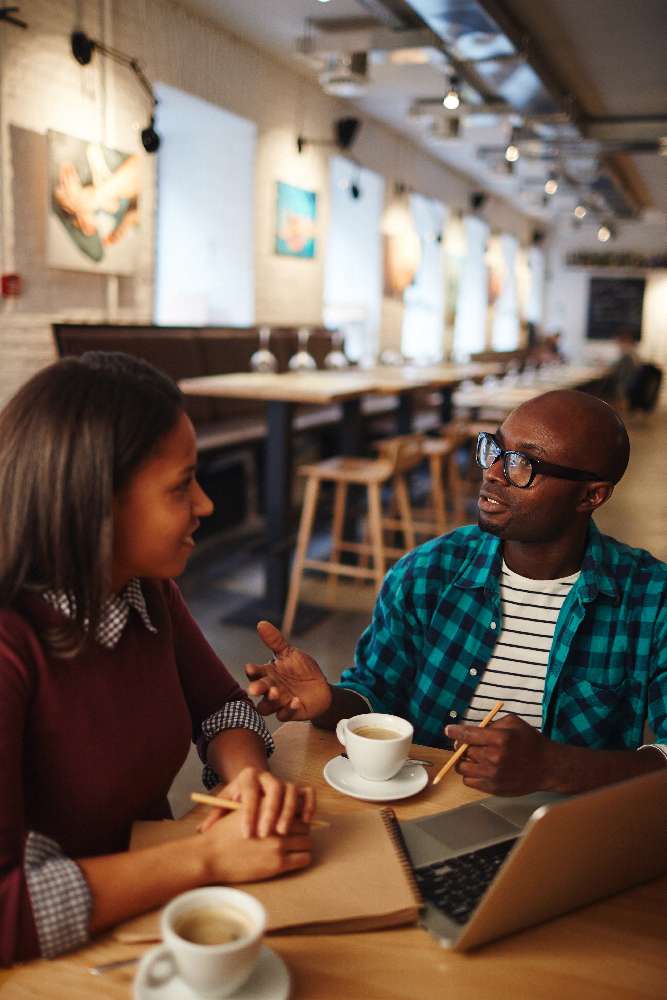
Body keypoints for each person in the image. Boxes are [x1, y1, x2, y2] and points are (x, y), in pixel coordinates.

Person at [0, 353, 315, 966]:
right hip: (56, 959)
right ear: (96, 503)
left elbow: (222, 708)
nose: (206, 504)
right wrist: (208, 857)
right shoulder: (11, 644)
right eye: (181, 485)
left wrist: (245, 780)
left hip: (152, 910)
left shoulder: (144, 590)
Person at [246, 390, 666, 799]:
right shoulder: (427, 572)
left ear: (592, 495)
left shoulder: (650, 598)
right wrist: (328, 702)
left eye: (523, 464)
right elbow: (376, 692)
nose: (493, 473)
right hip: (427, 803)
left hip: (565, 825)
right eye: (494, 449)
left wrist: (555, 767)